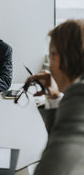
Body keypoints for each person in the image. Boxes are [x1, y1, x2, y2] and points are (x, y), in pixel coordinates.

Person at [25, 19, 84, 175]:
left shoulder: (79, 99)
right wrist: (55, 96)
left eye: (51, 56)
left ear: (57, 57)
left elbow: (58, 164)